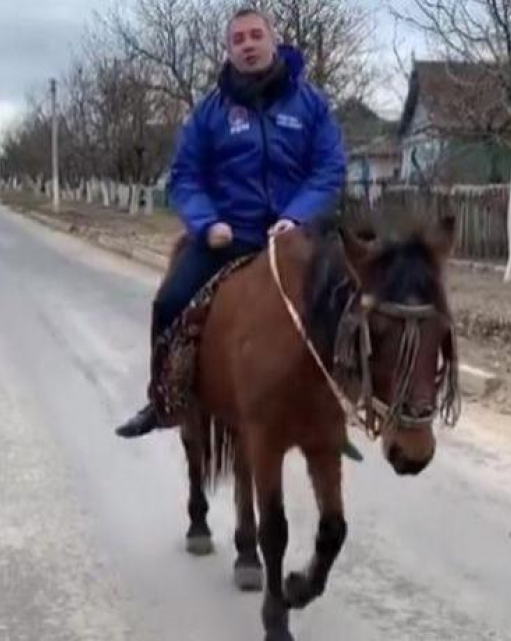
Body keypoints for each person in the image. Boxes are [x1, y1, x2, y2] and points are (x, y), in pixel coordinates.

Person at [115, 7, 346, 439]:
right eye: (238, 39)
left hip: (296, 235)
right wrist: (206, 223)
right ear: (228, 51)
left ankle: (358, 397)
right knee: (170, 300)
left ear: (274, 41)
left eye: (256, 35)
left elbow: (329, 168)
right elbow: (185, 175)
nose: (248, 44)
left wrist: (296, 215)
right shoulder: (210, 113)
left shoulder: (311, 104)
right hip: (229, 236)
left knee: (355, 296)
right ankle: (163, 397)